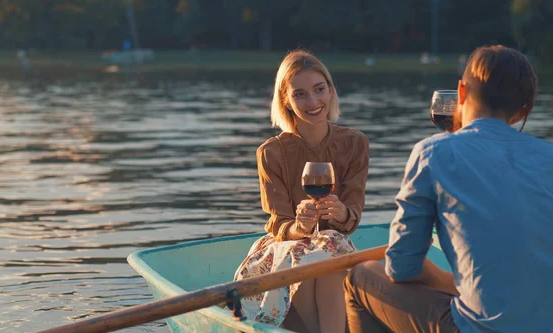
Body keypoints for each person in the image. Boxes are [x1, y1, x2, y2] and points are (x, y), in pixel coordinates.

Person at [344, 45, 553, 333]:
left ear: (461, 92)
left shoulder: (433, 153)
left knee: (361, 277)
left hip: (475, 328)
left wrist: (443, 279)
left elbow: (401, 267)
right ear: (521, 113)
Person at [233, 50, 369, 333]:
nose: (313, 101)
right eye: (300, 94)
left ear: (330, 91)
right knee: (310, 252)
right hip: (283, 252)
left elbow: (352, 215)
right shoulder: (271, 152)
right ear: (286, 100)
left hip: (333, 248)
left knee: (329, 244)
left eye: (319, 90)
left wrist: (342, 212)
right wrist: (299, 226)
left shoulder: (355, 143)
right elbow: (279, 224)